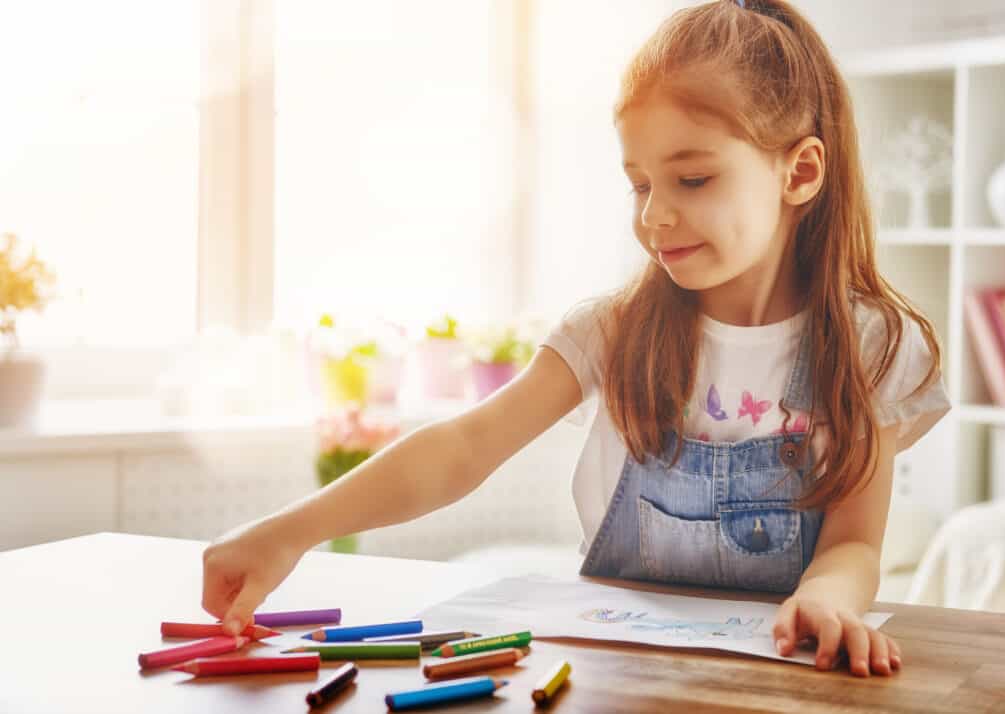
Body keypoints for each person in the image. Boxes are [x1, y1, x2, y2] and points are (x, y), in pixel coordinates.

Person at [202, 0, 952, 678]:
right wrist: (291, 532)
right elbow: (463, 449)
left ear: (801, 171)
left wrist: (827, 598)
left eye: (692, 180)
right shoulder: (613, 329)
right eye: (640, 184)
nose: (654, 216)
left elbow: (855, 541)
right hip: (622, 676)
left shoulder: (870, 344)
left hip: (785, 679)